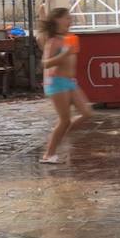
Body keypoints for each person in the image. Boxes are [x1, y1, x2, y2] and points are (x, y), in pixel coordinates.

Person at [39, 8, 92, 164]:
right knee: (64, 120)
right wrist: (64, 54)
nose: (70, 21)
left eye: (70, 18)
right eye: (66, 18)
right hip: (57, 82)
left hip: (70, 81)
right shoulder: (53, 41)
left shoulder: (68, 39)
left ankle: (57, 135)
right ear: (57, 20)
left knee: (87, 112)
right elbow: (45, 63)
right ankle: (48, 154)